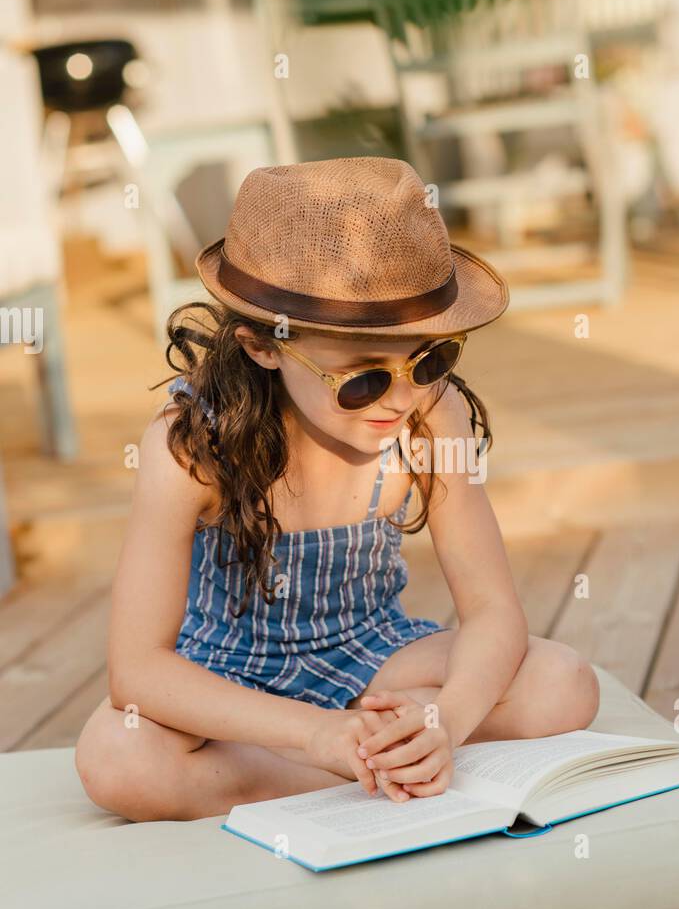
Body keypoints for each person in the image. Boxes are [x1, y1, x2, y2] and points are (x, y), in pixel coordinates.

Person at [74, 157, 599, 821]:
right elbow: (138, 669)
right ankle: (348, 762)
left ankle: (368, 756)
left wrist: (445, 719)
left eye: (430, 359)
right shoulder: (191, 449)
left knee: (562, 684)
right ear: (263, 347)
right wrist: (312, 734)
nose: (401, 398)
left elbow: (493, 609)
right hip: (227, 673)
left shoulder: (434, 419)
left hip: (369, 655)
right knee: (116, 759)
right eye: (362, 379)